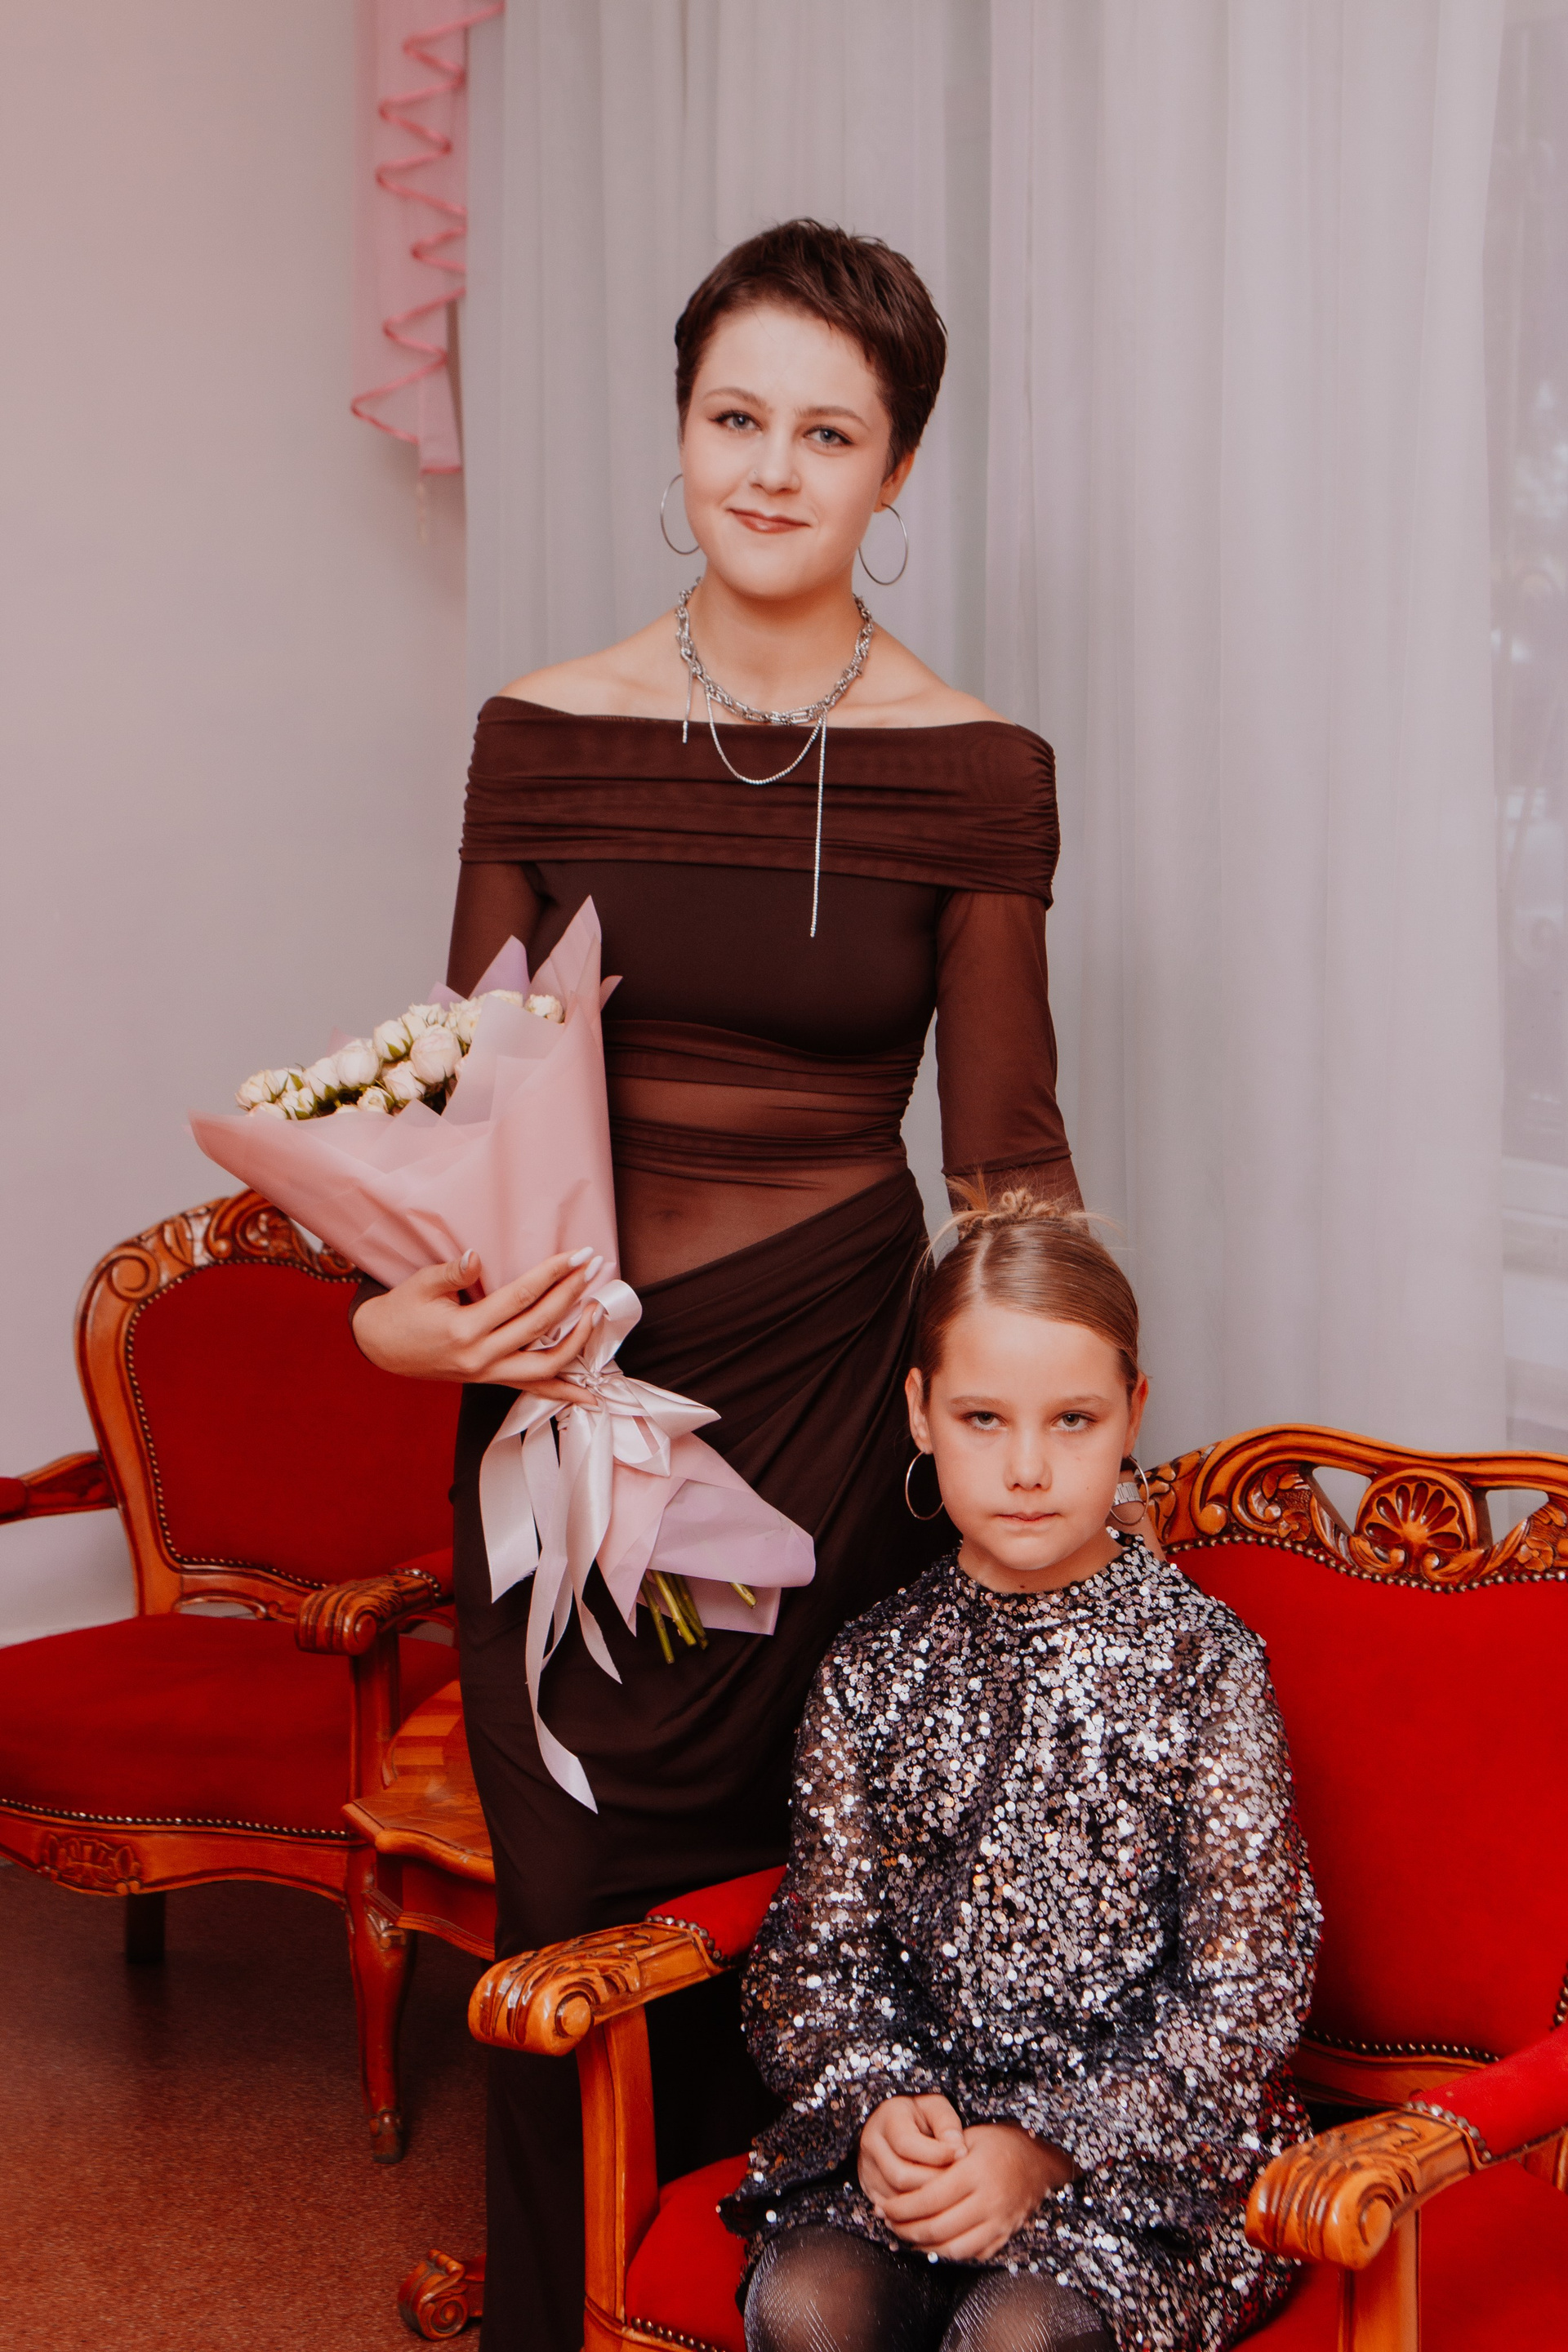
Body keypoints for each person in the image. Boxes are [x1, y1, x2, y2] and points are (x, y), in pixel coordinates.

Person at [352, 221, 1080, 2352]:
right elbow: (467, 1124)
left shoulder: (978, 770)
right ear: (679, 436)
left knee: (821, 1926)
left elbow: (1009, 1170)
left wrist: (1044, 1451)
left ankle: (783, 2314)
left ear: (898, 470)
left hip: (839, 1428)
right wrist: (399, 1323)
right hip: (565, 1424)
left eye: (828, 433)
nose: (773, 468)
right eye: (735, 417)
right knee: (568, 1923)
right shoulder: (540, 735)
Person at [726, 1192, 1321, 2352]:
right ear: (921, 1411)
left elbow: (1246, 1994)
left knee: (1018, 2336)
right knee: (805, 2305)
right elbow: (812, 1966)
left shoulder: (1204, 1666)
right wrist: (879, 2110)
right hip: (933, 2142)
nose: (1030, 1467)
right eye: (984, 1419)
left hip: (1150, 2166)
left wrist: (1046, 2147)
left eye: (1074, 1420)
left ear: (1133, 1413)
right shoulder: (870, 1667)